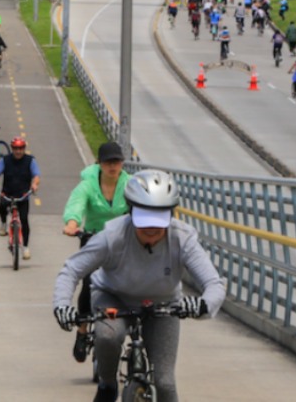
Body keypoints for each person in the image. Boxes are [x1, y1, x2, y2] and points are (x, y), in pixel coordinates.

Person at [53, 170, 226, 402]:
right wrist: (62, 305)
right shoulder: (112, 236)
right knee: (107, 336)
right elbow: (72, 269)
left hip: (164, 304)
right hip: (113, 297)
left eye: (159, 220)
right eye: (145, 220)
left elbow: (214, 283)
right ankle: (107, 384)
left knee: (165, 382)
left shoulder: (182, 238)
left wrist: (203, 305)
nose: (151, 230)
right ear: (131, 211)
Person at [61, 142, 130, 363]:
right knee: (89, 284)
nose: (113, 165)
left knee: (130, 284)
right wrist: (72, 224)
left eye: (117, 161)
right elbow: (76, 205)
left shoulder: (129, 184)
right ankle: (82, 331)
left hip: (121, 243)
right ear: (99, 163)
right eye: (108, 161)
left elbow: (141, 206)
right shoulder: (88, 184)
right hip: (93, 240)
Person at [0, 137, 41, 260]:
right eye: (16, 148)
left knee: (24, 220)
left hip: (23, 196)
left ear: (24, 148)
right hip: (8, 193)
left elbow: (36, 175)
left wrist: (34, 185)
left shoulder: (30, 161)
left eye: (21, 148)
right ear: (12, 149)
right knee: (1, 208)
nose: (18, 151)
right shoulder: (5, 160)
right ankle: (3, 224)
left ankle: (26, 248)